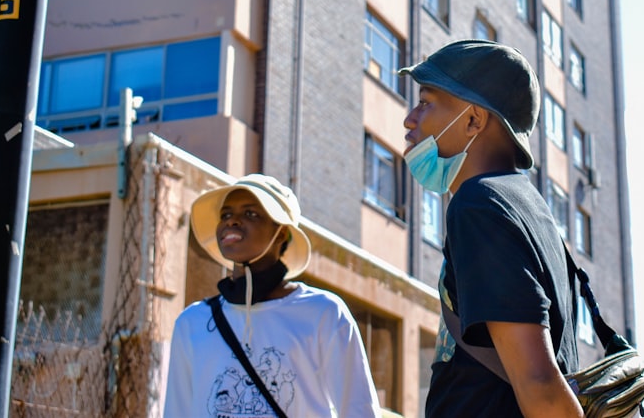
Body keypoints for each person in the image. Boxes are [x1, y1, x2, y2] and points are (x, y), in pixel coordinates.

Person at [400, 39, 583, 418]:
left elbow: (541, 388)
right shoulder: (532, 210)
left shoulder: (479, 205)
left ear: (472, 120)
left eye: (425, 101)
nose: (409, 119)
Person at [163, 173, 382, 418]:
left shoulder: (323, 313)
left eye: (250, 214)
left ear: (281, 233)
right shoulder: (193, 322)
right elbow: (177, 410)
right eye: (225, 215)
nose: (232, 221)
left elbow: (359, 410)